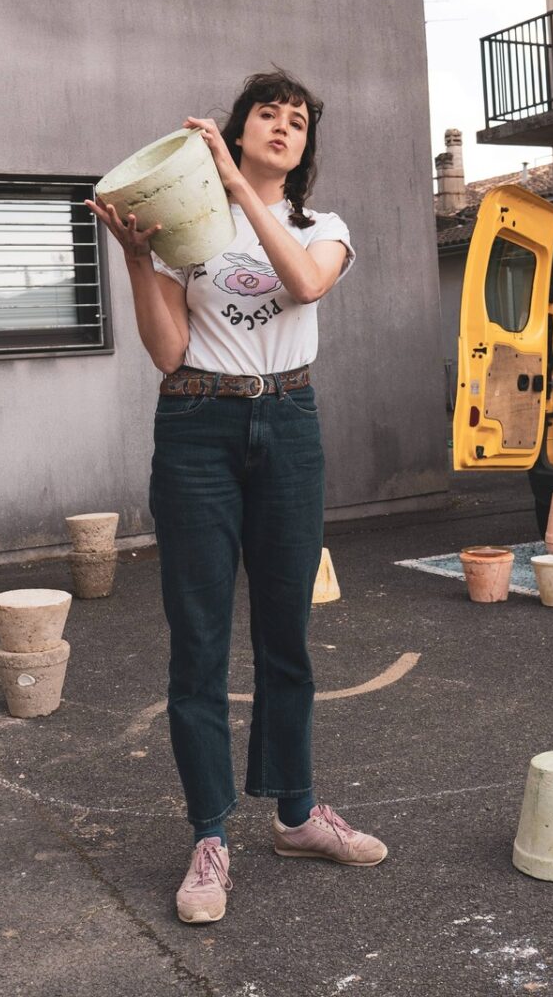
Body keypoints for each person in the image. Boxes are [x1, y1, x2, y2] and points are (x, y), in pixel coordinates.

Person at [87, 69, 387, 926]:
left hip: (288, 422)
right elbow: (168, 350)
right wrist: (140, 258)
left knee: (287, 631)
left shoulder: (320, 227)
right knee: (199, 640)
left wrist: (238, 191)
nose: (283, 127)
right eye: (269, 115)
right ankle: (210, 837)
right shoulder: (192, 236)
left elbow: (304, 284)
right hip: (198, 427)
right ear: (239, 126)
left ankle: (295, 815)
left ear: (303, 149)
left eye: (297, 121)